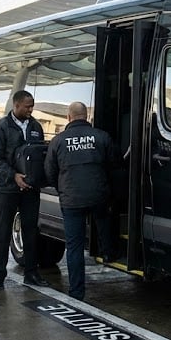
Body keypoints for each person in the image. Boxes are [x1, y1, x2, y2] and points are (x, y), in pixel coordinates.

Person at [45, 102, 117, 300]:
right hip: (98, 195)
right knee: (103, 219)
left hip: (71, 199)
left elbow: (50, 172)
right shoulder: (102, 137)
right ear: (87, 117)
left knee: (74, 246)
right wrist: (108, 191)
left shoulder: (58, 140)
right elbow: (114, 165)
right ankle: (108, 252)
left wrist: (62, 189)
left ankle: (77, 292)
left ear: (68, 117)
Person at [0, 90, 50, 290]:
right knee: (3, 231)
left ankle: (31, 273)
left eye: (32, 106)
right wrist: (13, 176)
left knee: (31, 230)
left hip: (30, 189)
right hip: (6, 188)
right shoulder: (1, 128)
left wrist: (37, 178)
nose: (31, 109)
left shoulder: (36, 127)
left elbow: (40, 154)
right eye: (27, 106)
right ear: (16, 106)